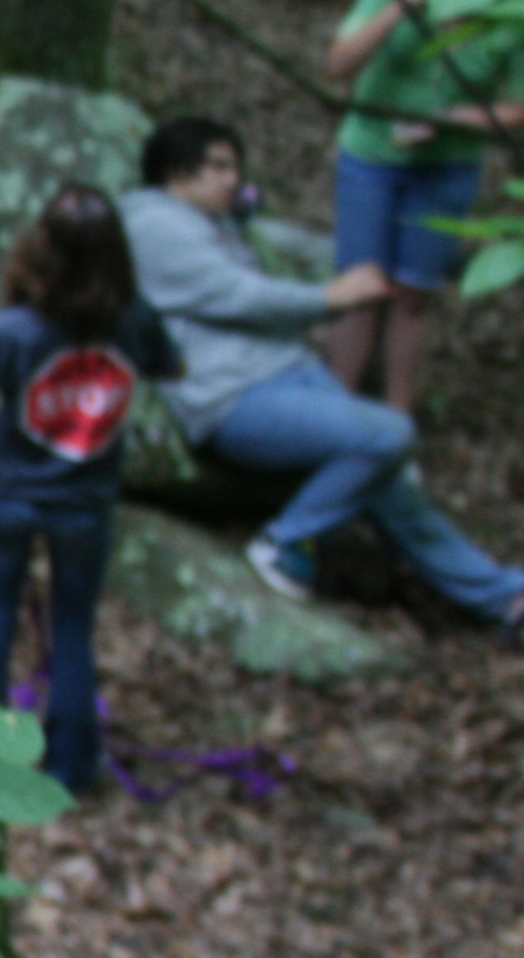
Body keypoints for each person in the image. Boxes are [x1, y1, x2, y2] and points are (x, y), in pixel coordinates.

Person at [123, 116, 524, 632]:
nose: (231, 180)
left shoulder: (206, 219)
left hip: (283, 374)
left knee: (392, 479)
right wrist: (330, 298)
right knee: (390, 433)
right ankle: (284, 543)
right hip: (234, 398)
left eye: (234, 168)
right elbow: (238, 297)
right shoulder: (155, 224)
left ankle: (501, 598)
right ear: (175, 172)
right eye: (218, 167)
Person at [0, 186, 179, 797]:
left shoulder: (10, 331)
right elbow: (172, 365)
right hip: (86, 502)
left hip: (7, 491)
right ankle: (68, 766)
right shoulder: (137, 323)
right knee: (73, 629)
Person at [321, 0, 523, 417]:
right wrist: (400, 3)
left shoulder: (510, 9)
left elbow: (518, 106)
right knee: (361, 287)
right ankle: (336, 408)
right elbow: (337, 64)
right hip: (370, 153)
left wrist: (451, 121)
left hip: (448, 164)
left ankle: (397, 414)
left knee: (414, 292)